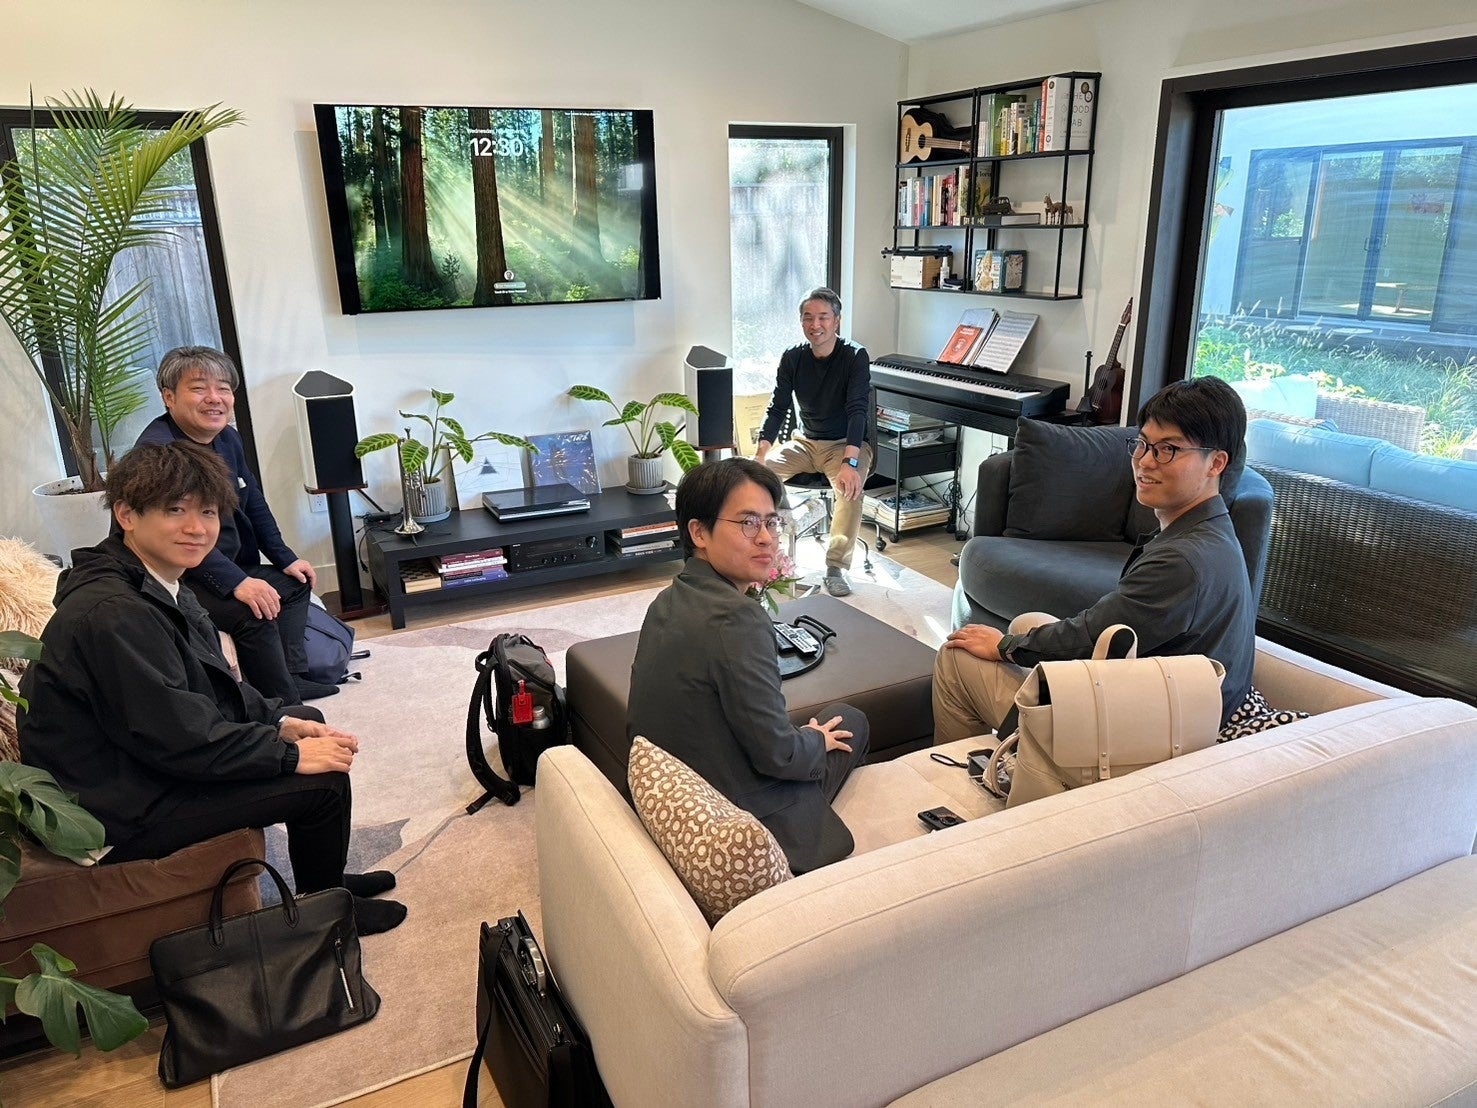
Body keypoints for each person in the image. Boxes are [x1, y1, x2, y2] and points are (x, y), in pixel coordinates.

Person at [18, 441, 406, 934]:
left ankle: (323, 884)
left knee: (306, 720)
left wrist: (279, 722)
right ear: (126, 514)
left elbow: (212, 683)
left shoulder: (158, 581)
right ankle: (326, 917)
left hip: (140, 766)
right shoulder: (114, 613)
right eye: (174, 511)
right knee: (321, 782)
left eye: (207, 512)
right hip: (113, 808)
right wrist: (285, 756)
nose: (197, 528)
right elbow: (178, 739)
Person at [933, 376, 1256, 743]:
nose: (1144, 462)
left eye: (1167, 449)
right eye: (1142, 444)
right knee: (1028, 623)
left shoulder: (1181, 562)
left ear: (1216, 463)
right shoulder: (1213, 531)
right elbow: (1107, 633)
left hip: (1149, 735)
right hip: (1167, 703)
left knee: (958, 658)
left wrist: (1004, 647)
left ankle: (968, 772)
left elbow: (1091, 635)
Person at [627, 458, 870, 874]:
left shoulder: (667, 599)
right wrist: (814, 741)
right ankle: (813, 830)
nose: (766, 539)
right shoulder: (739, 618)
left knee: (814, 724)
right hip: (731, 814)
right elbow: (779, 755)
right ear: (699, 533)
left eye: (771, 523)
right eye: (747, 523)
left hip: (676, 790)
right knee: (849, 720)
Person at [135, 345, 333, 704]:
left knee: (295, 583)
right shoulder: (162, 455)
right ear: (169, 397)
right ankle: (281, 707)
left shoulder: (227, 438)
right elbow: (183, 535)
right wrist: (238, 583)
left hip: (223, 561)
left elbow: (253, 499)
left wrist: (285, 557)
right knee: (251, 611)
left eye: (223, 388)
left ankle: (292, 676)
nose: (215, 398)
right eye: (199, 388)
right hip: (178, 575)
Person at [756, 287, 873, 598]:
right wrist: (760, 454)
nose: (815, 325)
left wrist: (850, 463)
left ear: (837, 320)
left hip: (845, 444)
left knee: (849, 489)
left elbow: (858, 411)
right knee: (757, 475)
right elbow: (777, 408)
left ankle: (835, 567)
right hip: (805, 443)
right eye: (808, 318)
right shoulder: (793, 357)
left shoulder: (854, 356)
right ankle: (781, 533)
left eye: (823, 317)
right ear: (801, 322)